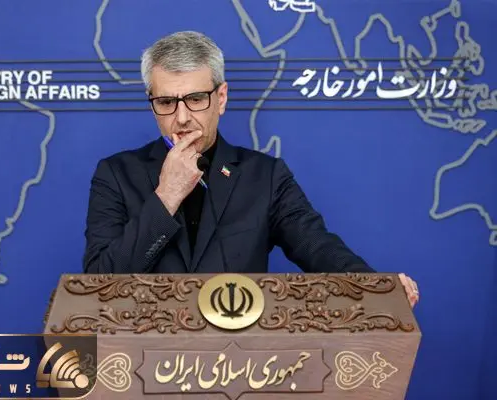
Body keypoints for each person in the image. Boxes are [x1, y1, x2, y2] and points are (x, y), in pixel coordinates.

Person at [83, 31, 420, 307]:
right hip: (146, 358)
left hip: (241, 358)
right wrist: (166, 197)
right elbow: (98, 285)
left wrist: (377, 287)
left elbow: (317, 246)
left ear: (221, 98)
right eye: (167, 102)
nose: (182, 117)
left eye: (196, 99)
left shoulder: (266, 176)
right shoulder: (116, 175)